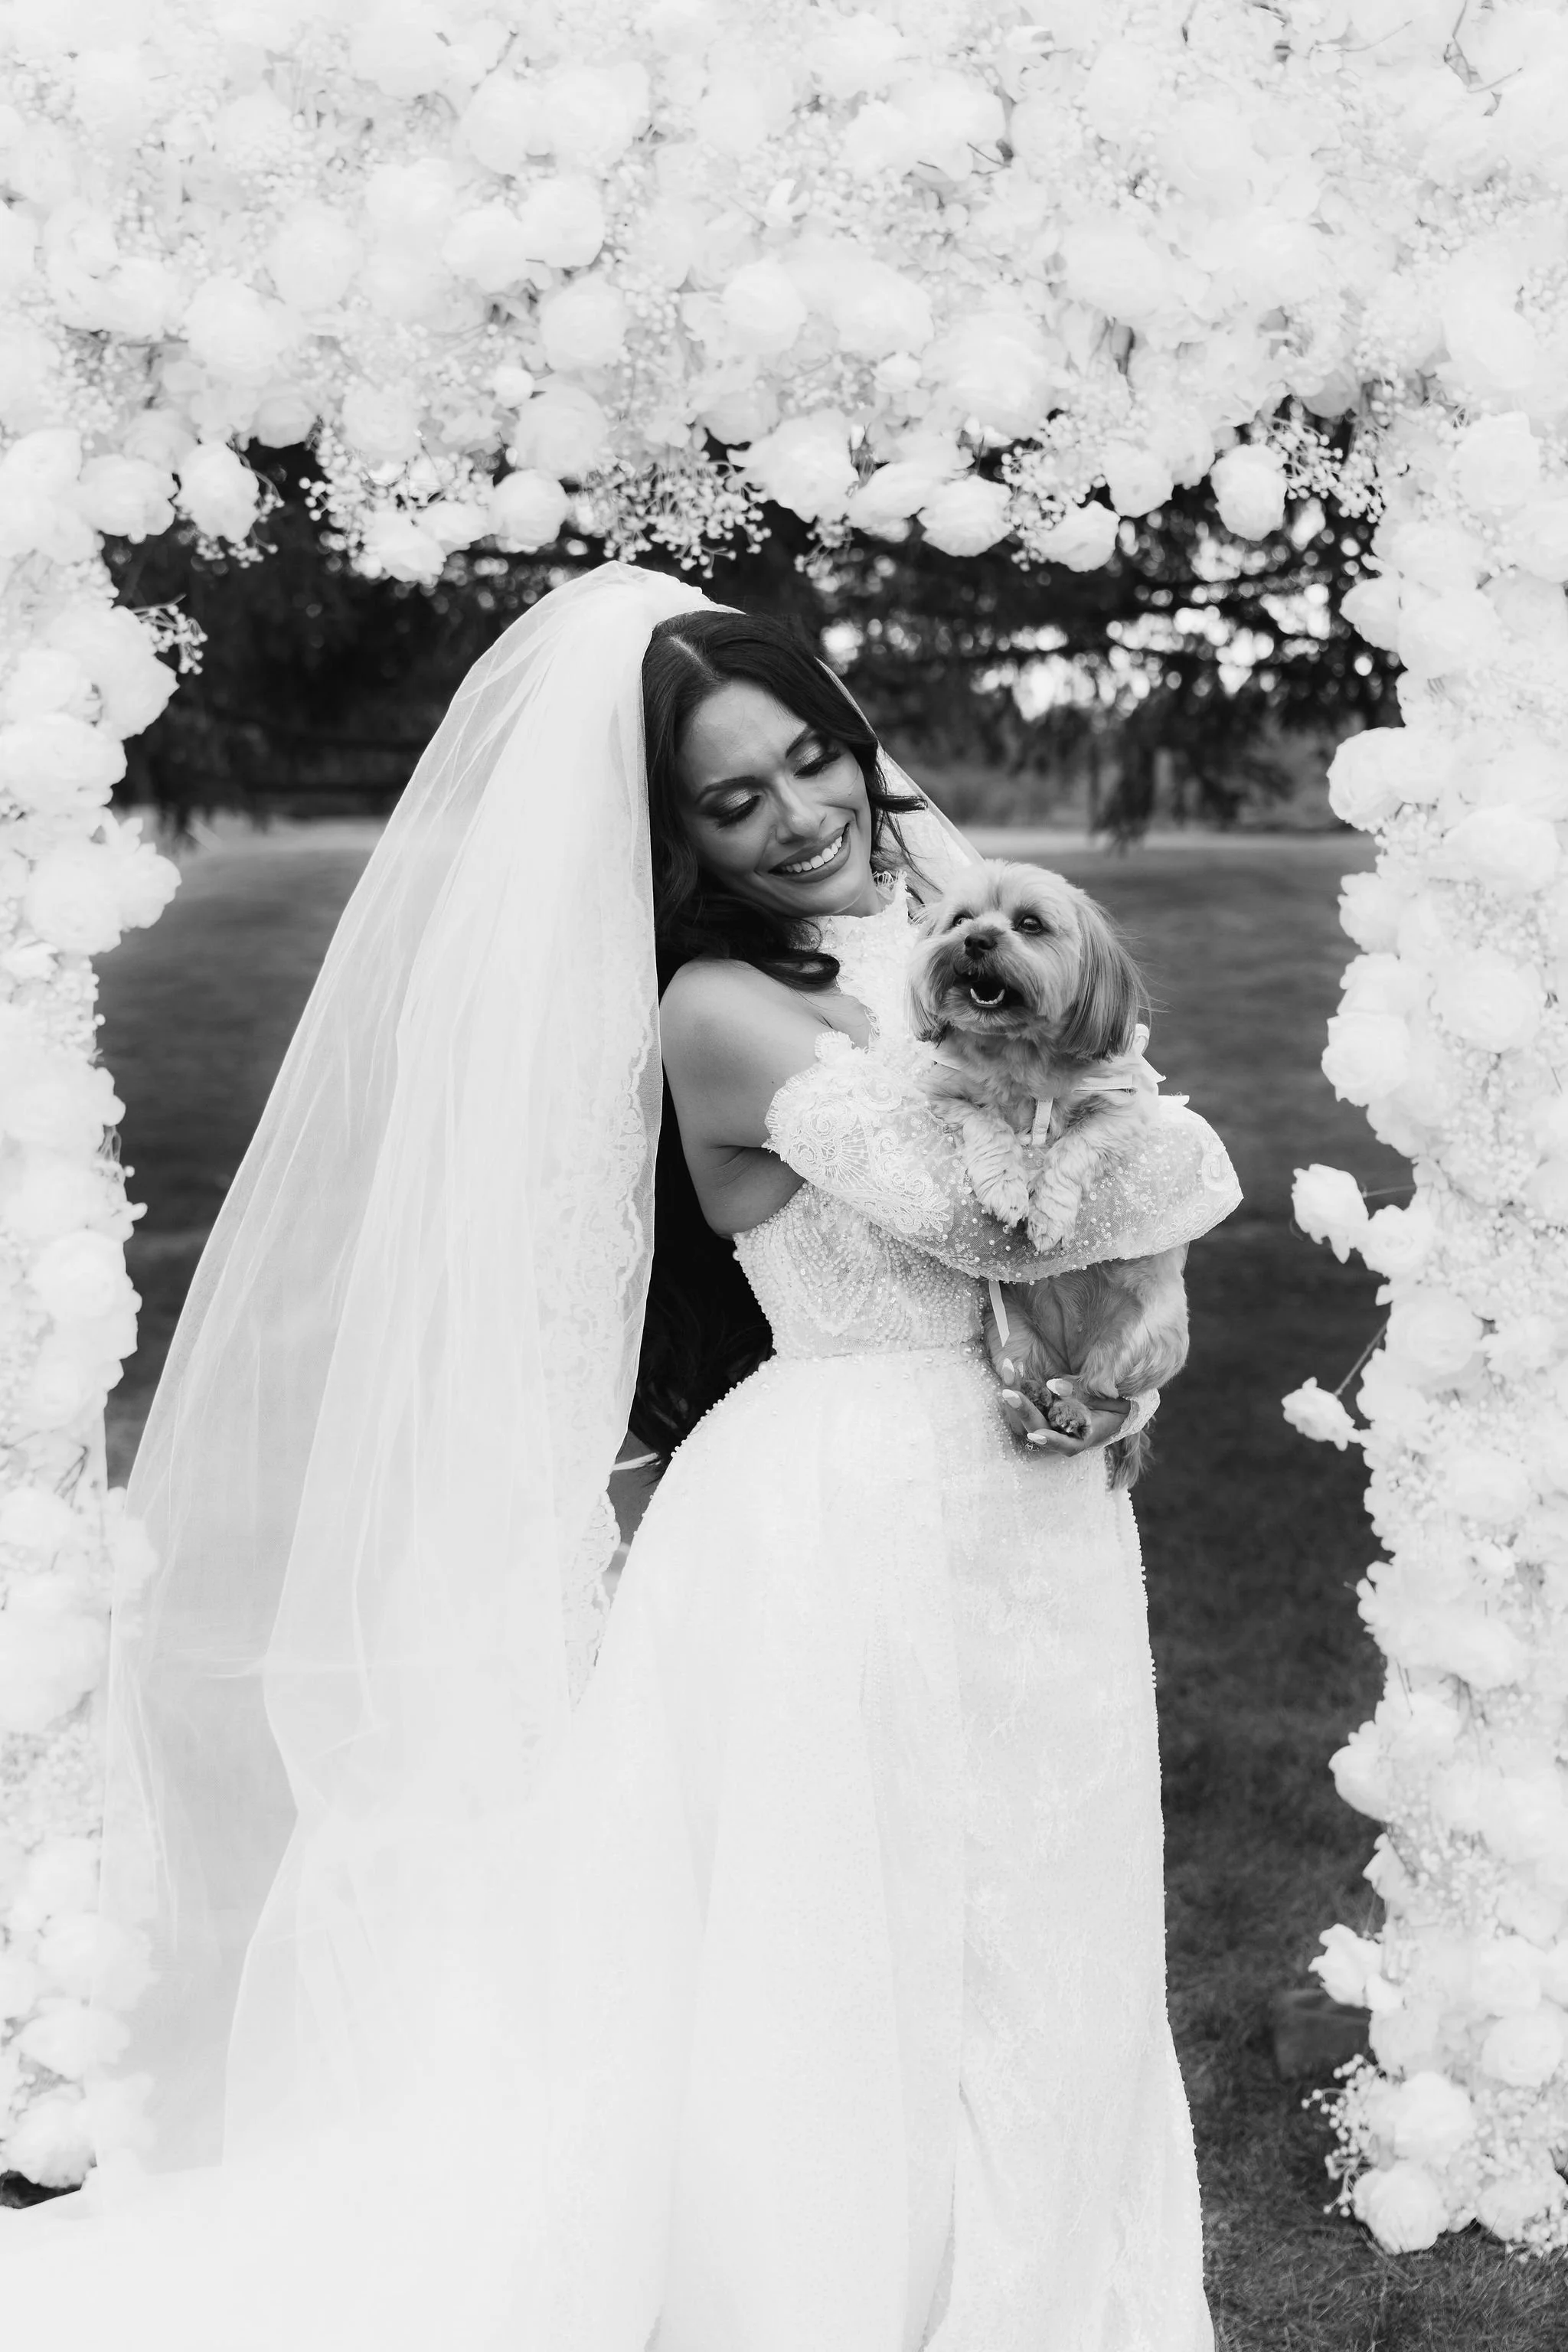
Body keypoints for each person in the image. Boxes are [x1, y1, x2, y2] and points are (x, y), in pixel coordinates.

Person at [3, 566, 1238, 2350]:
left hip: (1031, 1516)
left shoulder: (919, 944)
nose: (804, 818)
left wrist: (1125, 1335)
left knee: (1050, 1912)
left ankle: (1048, 2288)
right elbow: (1031, 1202)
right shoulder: (721, 1010)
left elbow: (1117, 1165)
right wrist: (1085, 1079)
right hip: (841, 1511)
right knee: (836, 1948)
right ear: (673, 837)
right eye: (737, 801)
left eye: (818, 761)